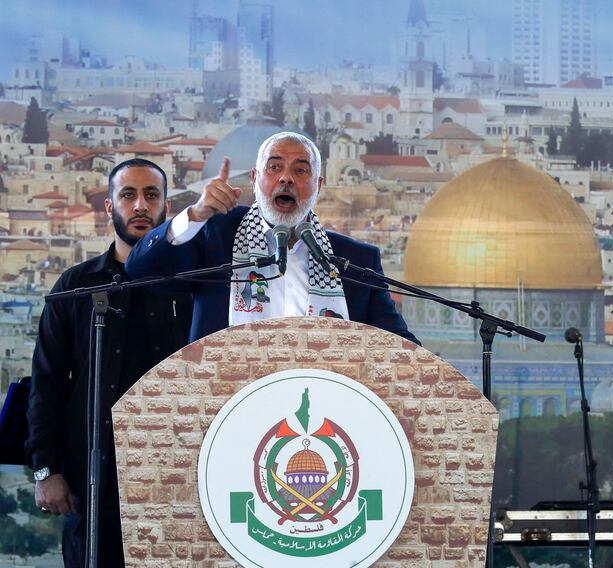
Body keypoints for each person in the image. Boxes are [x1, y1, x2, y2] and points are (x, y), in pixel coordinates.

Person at [26, 158, 193, 567]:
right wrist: (46, 471)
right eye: (128, 195)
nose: (140, 206)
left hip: (173, 478)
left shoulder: (188, 284)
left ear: (166, 208)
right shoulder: (76, 285)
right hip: (90, 478)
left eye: (151, 195)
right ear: (109, 207)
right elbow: (46, 382)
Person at [125, 132, 418, 344]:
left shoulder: (355, 261)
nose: (286, 178)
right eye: (274, 167)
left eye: (300, 170)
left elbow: (400, 348)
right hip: (225, 413)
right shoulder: (216, 235)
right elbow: (141, 270)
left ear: (319, 185)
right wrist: (196, 215)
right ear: (254, 179)